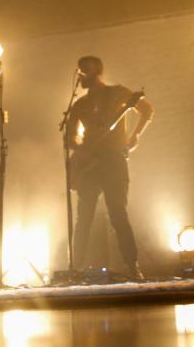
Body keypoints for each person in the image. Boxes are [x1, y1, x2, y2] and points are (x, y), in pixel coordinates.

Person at [64, 56, 153, 280]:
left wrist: (135, 137)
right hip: (89, 166)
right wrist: (82, 152)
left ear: (98, 71)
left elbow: (146, 109)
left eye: (87, 68)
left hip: (113, 160)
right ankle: (76, 267)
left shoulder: (117, 93)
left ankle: (132, 266)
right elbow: (70, 138)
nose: (82, 72)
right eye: (80, 69)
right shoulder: (80, 105)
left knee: (118, 213)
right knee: (84, 218)